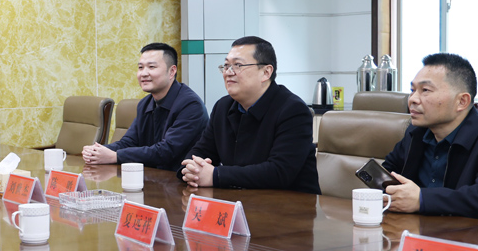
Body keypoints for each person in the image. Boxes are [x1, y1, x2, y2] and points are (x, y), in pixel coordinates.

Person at [383, 53, 478, 224]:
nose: (412, 99)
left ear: (462, 101)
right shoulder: (416, 133)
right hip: (422, 231)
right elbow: (389, 171)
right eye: (412, 90)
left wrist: (422, 199)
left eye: (425, 90)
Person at [179, 36, 320, 194]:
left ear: (266, 72)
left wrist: (216, 175)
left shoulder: (293, 110)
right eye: (226, 66)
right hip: (240, 200)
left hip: (289, 204)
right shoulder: (223, 107)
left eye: (238, 65)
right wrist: (191, 170)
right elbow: (199, 152)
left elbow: (279, 172)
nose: (228, 72)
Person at [82, 42, 207, 172]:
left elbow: (166, 151)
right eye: (140, 67)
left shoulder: (191, 105)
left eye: (151, 67)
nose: (143, 73)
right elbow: (128, 142)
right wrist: (98, 151)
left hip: (181, 178)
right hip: (153, 177)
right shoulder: (145, 104)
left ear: (172, 71)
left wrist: (115, 156)